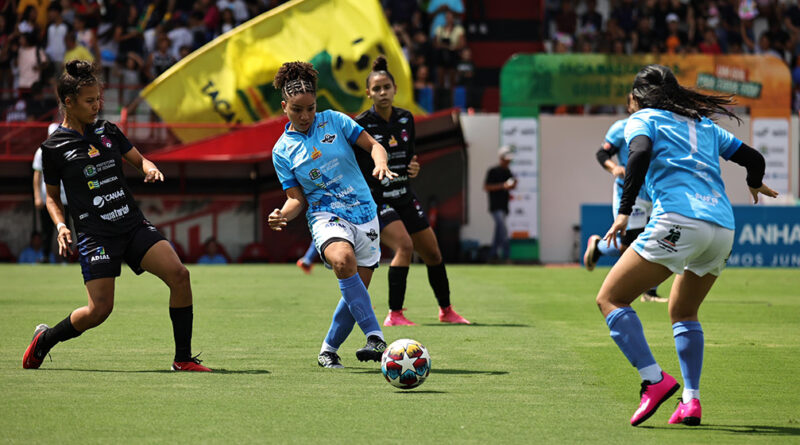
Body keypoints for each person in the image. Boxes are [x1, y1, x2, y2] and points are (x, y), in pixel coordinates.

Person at [595, 64, 777, 427]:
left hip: (679, 221)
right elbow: (754, 159)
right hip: (723, 229)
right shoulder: (704, 125)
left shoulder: (642, 119)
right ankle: (690, 401)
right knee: (683, 311)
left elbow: (640, 153)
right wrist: (754, 182)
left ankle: (653, 380)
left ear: (635, 97)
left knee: (610, 298)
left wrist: (624, 212)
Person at [22, 60, 211, 372]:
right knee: (99, 310)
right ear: (68, 102)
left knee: (180, 276)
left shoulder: (108, 131)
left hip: (131, 224)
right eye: (89, 100)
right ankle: (45, 340)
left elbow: (139, 160)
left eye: (99, 99)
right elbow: (52, 198)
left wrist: (149, 168)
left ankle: (183, 359)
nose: (97, 106)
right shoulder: (53, 148)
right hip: (96, 237)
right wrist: (59, 225)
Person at [268, 61, 393, 369]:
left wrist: (380, 162)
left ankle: (328, 349)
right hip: (326, 216)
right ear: (284, 107)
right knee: (342, 260)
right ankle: (375, 336)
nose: (306, 116)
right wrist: (283, 214)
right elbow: (295, 198)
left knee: (356, 292)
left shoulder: (335, 121)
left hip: (365, 213)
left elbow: (374, 145)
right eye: (297, 109)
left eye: (310, 108)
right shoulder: (282, 150)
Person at [354, 56, 470, 326]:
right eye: (377, 88)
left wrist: (413, 168)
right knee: (404, 246)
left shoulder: (406, 118)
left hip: (404, 194)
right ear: (368, 93)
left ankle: (446, 310)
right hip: (377, 200)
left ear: (395, 89)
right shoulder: (361, 125)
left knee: (433, 253)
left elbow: (409, 159)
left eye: (387, 87)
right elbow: (357, 167)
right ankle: (395, 314)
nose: (383, 93)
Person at [584, 95, 666, 303]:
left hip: (654, 193)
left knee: (656, 239)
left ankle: (599, 247)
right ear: (629, 105)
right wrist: (614, 168)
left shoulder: (660, 126)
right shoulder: (621, 127)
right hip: (631, 194)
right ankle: (647, 291)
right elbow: (602, 154)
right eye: (635, 99)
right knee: (633, 244)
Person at [32, 123, 69, 263]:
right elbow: (37, 175)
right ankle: (46, 255)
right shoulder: (41, 152)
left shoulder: (67, 149)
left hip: (66, 197)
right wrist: (37, 197)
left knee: (68, 227)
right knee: (47, 229)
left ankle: (66, 257)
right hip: (48, 197)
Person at [484, 146, 516, 262]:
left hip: (504, 206)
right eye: (506, 160)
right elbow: (486, 187)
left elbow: (512, 186)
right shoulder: (493, 171)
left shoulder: (508, 172)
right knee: (503, 230)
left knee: (498, 231)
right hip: (495, 206)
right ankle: (507, 256)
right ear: (501, 159)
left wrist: (512, 185)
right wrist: (503, 186)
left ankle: (492, 255)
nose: (508, 162)